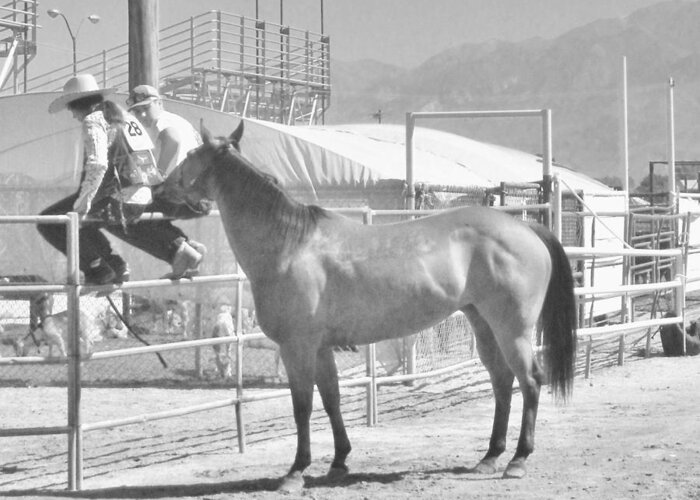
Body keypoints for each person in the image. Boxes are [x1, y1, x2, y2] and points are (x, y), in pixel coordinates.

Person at [37, 74, 158, 285]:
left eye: (71, 109)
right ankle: (114, 266)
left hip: (121, 197)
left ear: (78, 105)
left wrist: (84, 202)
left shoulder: (93, 120)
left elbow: (97, 164)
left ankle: (99, 269)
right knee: (83, 223)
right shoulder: (123, 116)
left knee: (49, 222)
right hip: (142, 193)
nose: (73, 116)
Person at [114, 84, 207, 278]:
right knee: (149, 220)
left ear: (160, 103)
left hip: (179, 192)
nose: (143, 116)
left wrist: (160, 175)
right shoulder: (181, 122)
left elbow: (172, 139)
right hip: (199, 197)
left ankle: (179, 252)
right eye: (137, 111)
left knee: (120, 218)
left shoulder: (163, 121)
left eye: (146, 108)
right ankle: (188, 249)